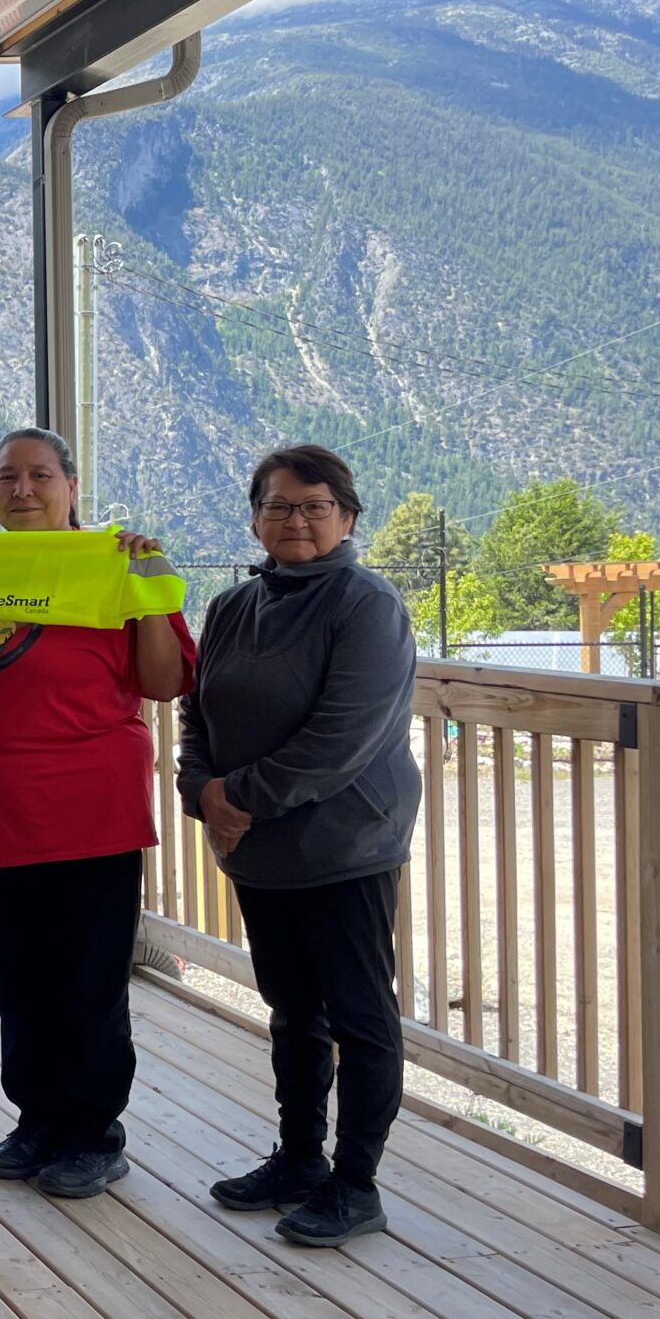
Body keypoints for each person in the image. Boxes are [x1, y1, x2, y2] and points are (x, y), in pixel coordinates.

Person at [0, 428, 193, 1200]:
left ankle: (93, 1132)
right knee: (15, 978)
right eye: (6, 477)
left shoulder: (115, 561)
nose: (23, 490)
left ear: (71, 486)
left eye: (40, 475)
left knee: (91, 980)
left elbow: (165, 681)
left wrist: (147, 587)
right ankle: (37, 1120)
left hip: (90, 813)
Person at [180, 444, 419, 1248]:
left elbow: (343, 736)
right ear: (255, 518)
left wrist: (237, 799)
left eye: (316, 507)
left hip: (347, 845)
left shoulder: (367, 605)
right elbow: (197, 714)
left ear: (347, 519)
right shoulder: (232, 607)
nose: (297, 521)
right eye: (279, 506)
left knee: (359, 1014)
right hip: (261, 852)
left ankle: (357, 1183)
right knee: (292, 1012)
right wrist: (200, 790)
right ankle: (298, 1160)